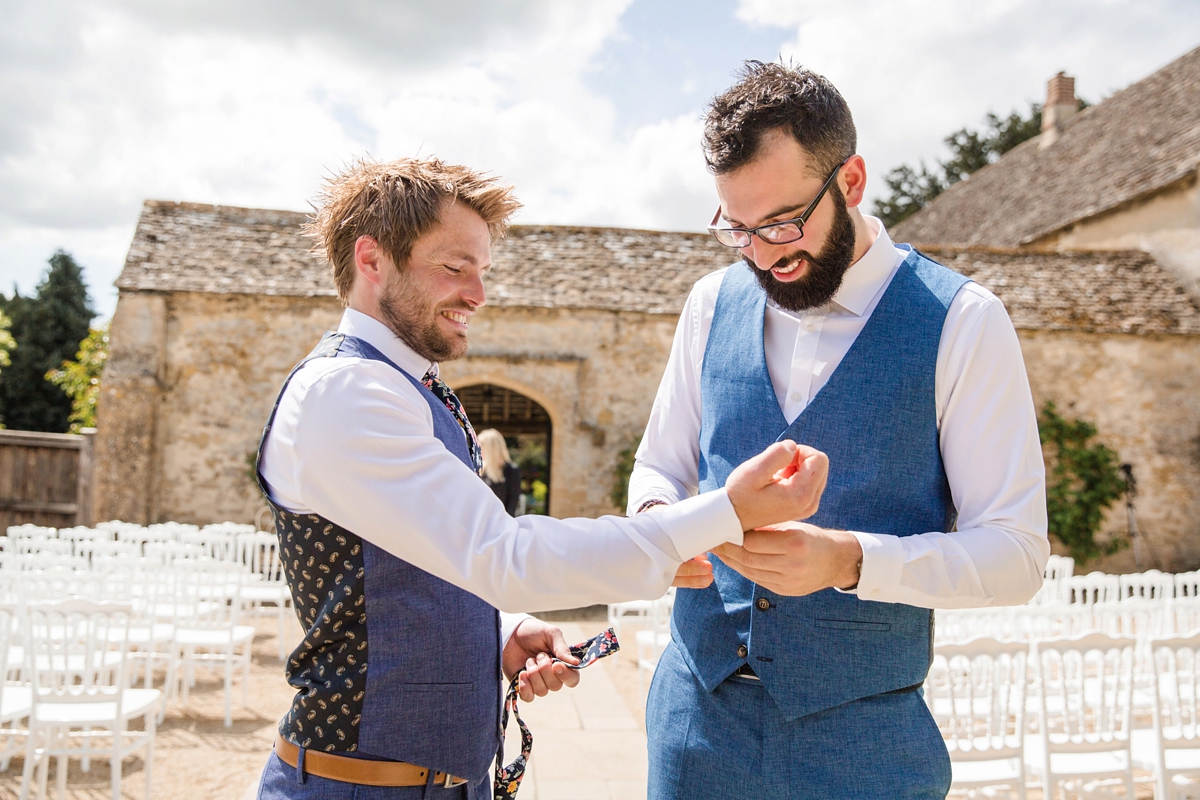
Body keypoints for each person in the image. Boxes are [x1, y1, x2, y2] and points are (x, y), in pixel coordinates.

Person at [254, 156, 831, 800]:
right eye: (454, 267)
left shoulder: (403, 385)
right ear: (372, 260)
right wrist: (725, 511)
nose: (477, 294)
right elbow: (502, 554)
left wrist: (499, 632)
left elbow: (420, 563)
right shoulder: (347, 392)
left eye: (483, 271)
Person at [629, 62, 1049, 799]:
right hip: (694, 724)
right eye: (739, 228)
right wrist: (660, 524)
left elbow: (1015, 557)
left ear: (851, 182)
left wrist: (851, 561)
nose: (763, 252)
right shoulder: (707, 303)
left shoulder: (964, 321)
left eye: (785, 222)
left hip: (865, 746)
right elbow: (658, 468)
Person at [478, 429, 522, 516]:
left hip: (500, 524)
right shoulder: (481, 470)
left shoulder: (511, 471)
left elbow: (512, 505)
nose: (479, 449)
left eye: (481, 446)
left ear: (491, 448)